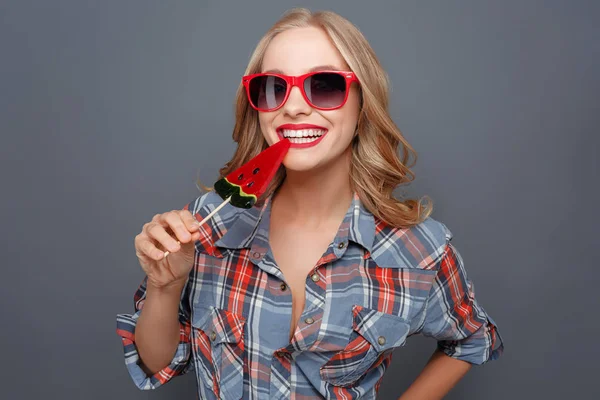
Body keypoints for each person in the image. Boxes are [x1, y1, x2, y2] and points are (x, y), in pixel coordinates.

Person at [116, 8, 504, 400]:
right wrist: (164, 287)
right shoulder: (206, 223)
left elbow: (471, 339)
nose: (294, 107)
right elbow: (156, 363)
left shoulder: (419, 249)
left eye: (324, 85)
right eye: (273, 87)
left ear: (362, 102)